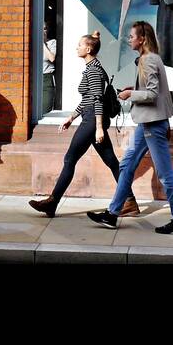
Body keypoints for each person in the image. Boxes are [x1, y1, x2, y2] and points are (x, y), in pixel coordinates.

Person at [87, 21, 173, 235]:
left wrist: (130, 95)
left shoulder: (149, 60)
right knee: (126, 166)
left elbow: (152, 95)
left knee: (165, 174)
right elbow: (154, 91)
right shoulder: (148, 59)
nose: (129, 39)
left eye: (132, 36)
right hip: (146, 124)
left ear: (142, 39)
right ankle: (112, 214)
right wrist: (134, 89)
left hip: (153, 124)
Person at [29, 32, 138, 218]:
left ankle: (52, 202)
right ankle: (130, 200)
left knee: (70, 159)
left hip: (92, 121)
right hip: (91, 118)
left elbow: (97, 100)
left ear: (88, 49)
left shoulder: (94, 70)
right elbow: (88, 98)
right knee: (111, 161)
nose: (76, 48)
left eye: (80, 45)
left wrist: (98, 128)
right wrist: (71, 118)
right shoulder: (92, 67)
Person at [42, 21, 58, 114]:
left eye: (45, 28)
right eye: (41, 29)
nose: (43, 31)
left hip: (47, 79)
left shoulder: (52, 42)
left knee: (46, 109)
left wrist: (43, 43)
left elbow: (52, 58)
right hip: (33, 79)